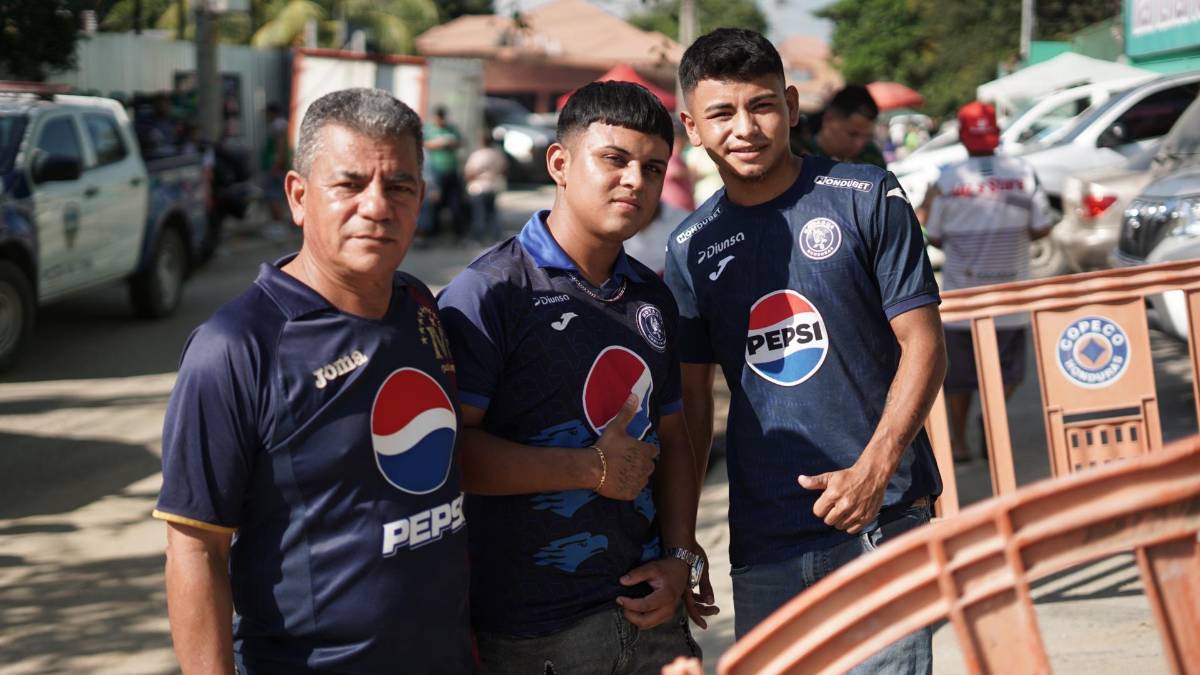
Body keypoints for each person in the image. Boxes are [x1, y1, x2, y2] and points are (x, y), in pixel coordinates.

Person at [153, 88, 475, 674]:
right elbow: (195, 549)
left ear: (421, 199)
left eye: (399, 187)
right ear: (299, 197)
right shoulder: (236, 347)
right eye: (349, 185)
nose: (377, 206)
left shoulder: (419, 305)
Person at [666, 28, 946, 672]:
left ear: (792, 106)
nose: (747, 128)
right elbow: (693, 413)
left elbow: (924, 345)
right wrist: (682, 544)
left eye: (762, 105)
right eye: (722, 113)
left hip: (883, 523)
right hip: (765, 542)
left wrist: (875, 469)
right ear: (692, 127)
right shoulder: (690, 249)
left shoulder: (868, 196)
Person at [437, 81, 714, 675]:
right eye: (614, 159)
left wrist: (681, 555)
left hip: (650, 614)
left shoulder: (652, 296)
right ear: (559, 163)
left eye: (653, 167)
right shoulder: (489, 293)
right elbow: (447, 456)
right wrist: (591, 469)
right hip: (531, 634)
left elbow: (674, 436)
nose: (636, 180)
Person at [919, 101, 1052, 463]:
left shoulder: (948, 178)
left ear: (962, 135)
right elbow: (1041, 226)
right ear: (997, 133)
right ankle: (989, 420)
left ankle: (959, 440)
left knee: (958, 379)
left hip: (964, 300)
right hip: (1013, 298)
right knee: (1011, 374)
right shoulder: (1023, 172)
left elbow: (935, 236)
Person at [791, 84, 887, 168]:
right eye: (852, 134)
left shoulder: (871, 156)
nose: (860, 144)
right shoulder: (798, 156)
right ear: (829, 119)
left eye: (867, 137)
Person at [424, 105, 466, 241]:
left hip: (452, 171)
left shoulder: (452, 129)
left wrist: (451, 143)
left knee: (455, 203)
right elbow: (423, 144)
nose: (441, 121)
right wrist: (438, 144)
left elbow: (461, 142)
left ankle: (458, 233)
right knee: (435, 203)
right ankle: (433, 232)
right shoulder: (429, 129)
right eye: (439, 118)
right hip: (436, 171)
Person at [463, 132, 508, 243]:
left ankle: (478, 238)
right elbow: (504, 169)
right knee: (492, 214)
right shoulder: (497, 154)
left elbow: (470, 173)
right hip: (492, 187)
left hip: (478, 188)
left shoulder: (477, 155)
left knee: (479, 215)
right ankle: (497, 237)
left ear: (482, 141)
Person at [259, 102, 290, 226]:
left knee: (273, 195)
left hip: (276, 167)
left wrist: (277, 164)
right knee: (275, 194)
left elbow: (281, 146)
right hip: (278, 166)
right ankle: (279, 222)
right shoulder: (281, 125)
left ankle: (278, 223)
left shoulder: (278, 125)